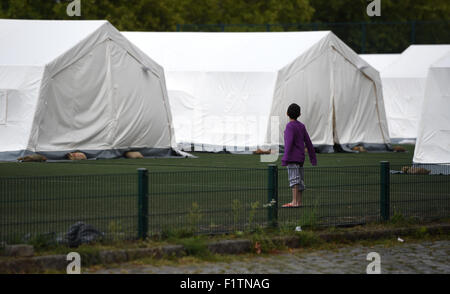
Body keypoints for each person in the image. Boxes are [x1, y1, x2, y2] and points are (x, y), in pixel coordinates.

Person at [281, 103, 317, 208]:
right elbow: (309, 142)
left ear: (287, 113)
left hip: (292, 157)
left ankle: (294, 201)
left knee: (294, 179)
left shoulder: (289, 126)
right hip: (301, 158)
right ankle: (299, 201)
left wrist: (285, 158)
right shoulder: (301, 126)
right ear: (300, 114)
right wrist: (313, 158)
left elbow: (289, 143)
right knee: (300, 179)